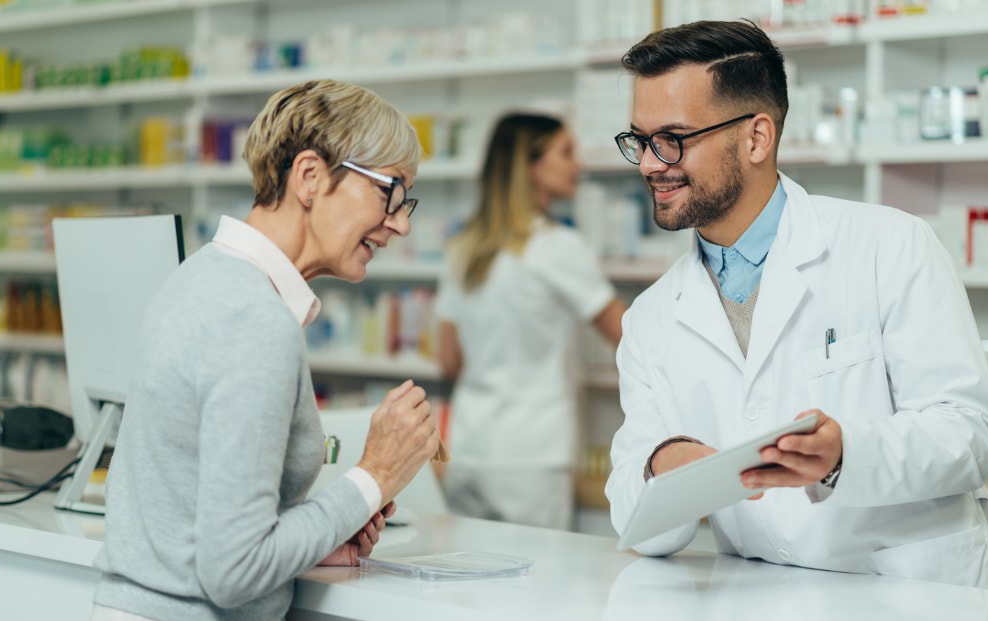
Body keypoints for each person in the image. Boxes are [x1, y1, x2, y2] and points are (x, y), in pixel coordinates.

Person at [604, 20, 988, 590]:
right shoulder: (650, 318)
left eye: (672, 138)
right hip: (768, 598)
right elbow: (638, 527)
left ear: (756, 137)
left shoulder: (889, 245)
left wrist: (845, 453)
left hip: (914, 594)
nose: (649, 163)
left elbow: (971, 436)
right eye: (640, 140)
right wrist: (661, 466)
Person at [91, 79, 442, 620]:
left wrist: (306, 543)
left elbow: (194, 518)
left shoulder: (200, 277)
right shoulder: (256, 319)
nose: (401, 222)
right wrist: (375, 475)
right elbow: (233, 572)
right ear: (310, 176)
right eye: (389, 190)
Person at [435, 112, 625, 531]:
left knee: (468, 586)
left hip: (468, 450)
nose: (578, 165)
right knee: (534, 589)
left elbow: (448, 361)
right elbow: (629, 337)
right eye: (566, 152)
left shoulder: (462, 248)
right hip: (531, 458)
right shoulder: (557, 247)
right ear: (530, 166)